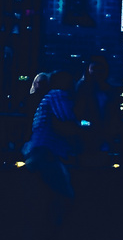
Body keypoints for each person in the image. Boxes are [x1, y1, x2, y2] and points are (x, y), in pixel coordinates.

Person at [24, 70, 81, 226]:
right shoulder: (57, 95)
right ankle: (53, 234)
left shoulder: (49, 97)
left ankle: (48, 233)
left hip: (41, 150)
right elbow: (66, 118)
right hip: (46, 151)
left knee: (49, 194)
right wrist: (85, 125)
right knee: (64, 193)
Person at [73, 56, 122, 167]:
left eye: (100, 69)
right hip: (90, 134)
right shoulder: (82, 88)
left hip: (98, 133)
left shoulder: (83, 87)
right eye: (94, 68)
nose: (97, 72)